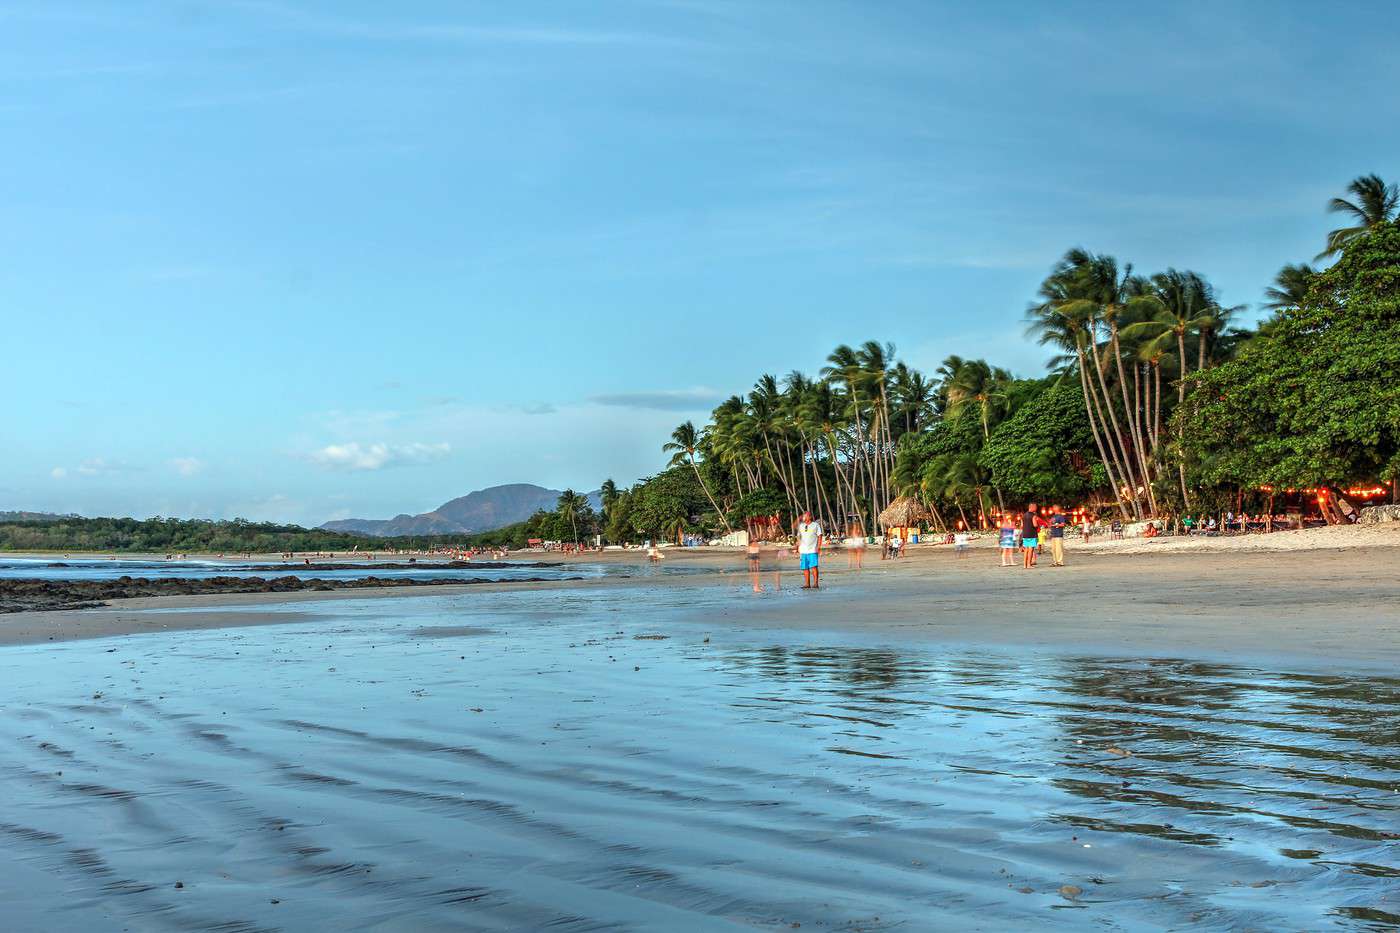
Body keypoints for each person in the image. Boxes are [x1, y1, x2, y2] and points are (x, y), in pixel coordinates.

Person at [797, 511, 822, 589]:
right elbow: (798, 536)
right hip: (803, 550)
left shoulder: (815, 525)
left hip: (812, 550)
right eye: (803, 516)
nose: (804, 517)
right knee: (805, 567)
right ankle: (807, 584)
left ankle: (816, 583)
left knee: (814, 566)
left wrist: (818, 547)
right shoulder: (801, 526)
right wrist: (798, 546)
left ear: (810, 517)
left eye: (805, 516)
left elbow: (820, 536)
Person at [1021, 503, 1039, 568]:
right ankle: (1029, 564)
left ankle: (1024, 565)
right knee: (1031, 549)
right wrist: (1037, 523)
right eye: (1035, 507)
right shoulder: (1033, 515)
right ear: (1032, 507)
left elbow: (1022, 525)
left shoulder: (1024, 515)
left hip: (1025, 534)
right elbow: (1035, 525)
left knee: (1026, 549)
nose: (1036, 508)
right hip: (1031, 534)